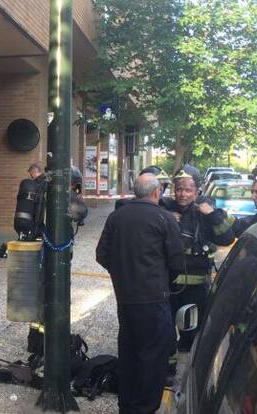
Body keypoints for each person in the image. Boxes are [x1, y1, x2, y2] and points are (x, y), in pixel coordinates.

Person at [96, 174, 185, 414]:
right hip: (154, 299)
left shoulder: (116, 217)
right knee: (153, 357)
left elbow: (102, 254)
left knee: (129, 352)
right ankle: (145, 407)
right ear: (156, 192)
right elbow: (177, 261)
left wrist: (122, 275)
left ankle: (127, 405)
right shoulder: (164, 218)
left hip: (125, 299)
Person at [161, 165, 234, 352]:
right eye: (179, 189)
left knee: (191, 331)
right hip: (167, 284)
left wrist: (212, 215)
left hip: (195, 287)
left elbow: (227, 238)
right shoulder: (164, 208)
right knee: (164, 328)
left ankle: (188, 360)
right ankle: (168, 363)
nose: (183, 194)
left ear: (197, 191)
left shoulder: (206, 211)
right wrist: (165, 218)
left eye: (188, 190)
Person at [14, 163, 47, 240]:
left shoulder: (40, 183)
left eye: (31, 174)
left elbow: (38, 203)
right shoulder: (43, 182)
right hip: (38, 216)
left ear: (34, 172)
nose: (31, 176)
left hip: (37, 215)